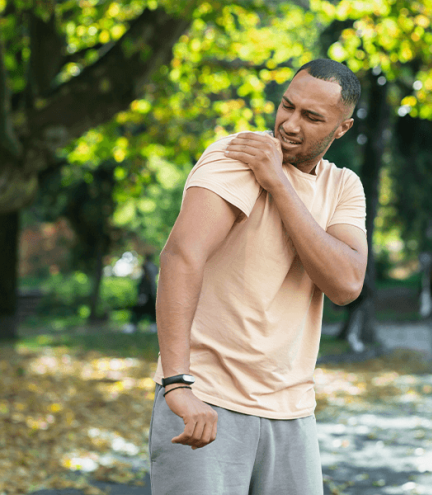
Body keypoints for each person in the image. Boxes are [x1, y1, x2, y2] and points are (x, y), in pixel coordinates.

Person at [149, 59, 368, 494]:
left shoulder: (342, 187)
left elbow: (346, 284)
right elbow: (181, 257)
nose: (289, 124)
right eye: (287, 106)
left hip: (292, 411)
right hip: (206, 399)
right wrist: (177, 384)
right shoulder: (237, 157)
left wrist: (280, 186)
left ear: (341, 129)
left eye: (311, 117)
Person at [123, 254, 159, 333]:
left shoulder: (146, 267)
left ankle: (132, 326)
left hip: (146, 293)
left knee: (139, 310)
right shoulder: (154, 267)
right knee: (151, 311)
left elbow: (146, 282)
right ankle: (153, 326)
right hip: (151, 293)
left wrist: (143, 294)